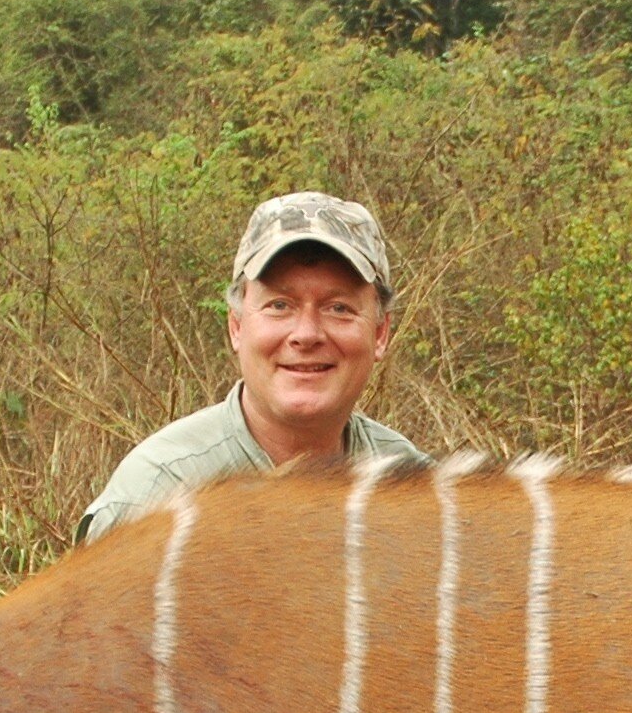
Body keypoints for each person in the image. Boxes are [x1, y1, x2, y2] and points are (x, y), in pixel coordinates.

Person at [76, 192, 423, 544]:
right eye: (279, 305)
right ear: (237, 326)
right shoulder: (156, 493)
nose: (306, 334)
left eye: (339, 308)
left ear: (380, 333)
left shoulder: (410, 485)